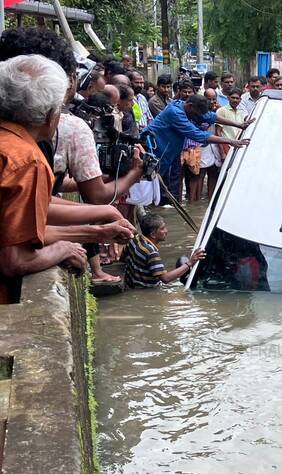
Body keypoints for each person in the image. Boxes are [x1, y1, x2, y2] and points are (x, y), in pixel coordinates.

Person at [0, 55, 133, 303]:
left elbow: (26, 220)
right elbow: (14, 259)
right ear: (51, 114)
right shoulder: (28, 160)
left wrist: (97, 227)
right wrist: (63, 247)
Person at [147, 94, 252, 204]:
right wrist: (231, 141)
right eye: (197, 114)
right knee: (149, 188)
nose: (198, 117)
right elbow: (197, 134)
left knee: (166, 189)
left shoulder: (188, 108)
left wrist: (239, 125)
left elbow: (211, 117)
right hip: (155, 149)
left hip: (171, 152)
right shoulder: (175, 113)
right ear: (191, 106)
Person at [124, 214, 206, 288]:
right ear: (153, 234)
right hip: (147, 289)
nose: (166, 231)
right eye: (162, 229)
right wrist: (190, 262)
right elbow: (165, 279)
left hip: (133, 284)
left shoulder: (136, 238)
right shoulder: (151, 252)